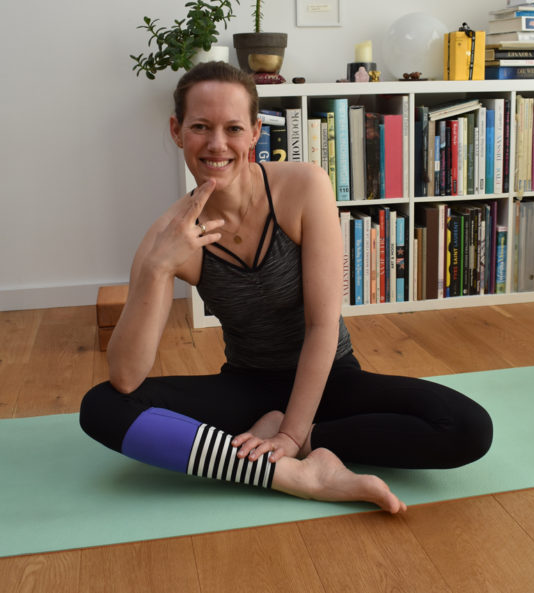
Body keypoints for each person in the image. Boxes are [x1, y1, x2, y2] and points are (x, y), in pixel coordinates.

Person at [80, 61, 493, 513]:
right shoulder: (170, 235)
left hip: (330, 379)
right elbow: (125, 375)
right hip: (248, 387)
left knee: (467, 427)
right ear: (178, 131)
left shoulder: (303, 187)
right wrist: (158, 268)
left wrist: (292, 434)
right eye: (200, 127)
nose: (217, 144)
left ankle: (306, 445)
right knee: (100, 407)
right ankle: (295, 474)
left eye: (233, 127)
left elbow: (322, 326)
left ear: (256, 131)